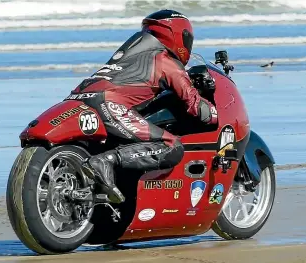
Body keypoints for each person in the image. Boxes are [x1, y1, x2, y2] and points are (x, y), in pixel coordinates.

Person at [71, 9, 218, 203]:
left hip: (78, 99)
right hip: (110, 105)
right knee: (172, 146)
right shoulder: (166, 61)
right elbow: (193, 105)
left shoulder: (128, 57)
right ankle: (106, 162)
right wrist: (214, 113)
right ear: (177, 35)